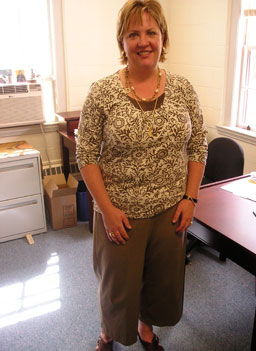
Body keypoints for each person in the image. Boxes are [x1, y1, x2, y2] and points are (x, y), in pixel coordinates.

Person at [76, 1, 208, 350]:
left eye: (151, 31)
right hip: (120, 213)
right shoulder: (102, 92)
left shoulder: (182, 88)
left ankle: (145, 330)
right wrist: (106, 209)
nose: (143, 41)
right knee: (117, 285)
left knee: (158, 281)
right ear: (122, 41)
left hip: (170, 209)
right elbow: (86, 154)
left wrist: (190, 198)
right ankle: (108, 334)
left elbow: (198, 145)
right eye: (133, 33)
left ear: (164, 37)